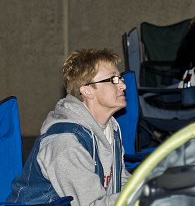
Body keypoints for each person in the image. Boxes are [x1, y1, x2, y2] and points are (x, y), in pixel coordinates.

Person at [7, 49, 131, 205]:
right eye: (113, 79)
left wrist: (153, 188)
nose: (123, 86)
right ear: (87, 90)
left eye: (120, 78)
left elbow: (121, 182)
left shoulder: (110, 128)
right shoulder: (66, 142)